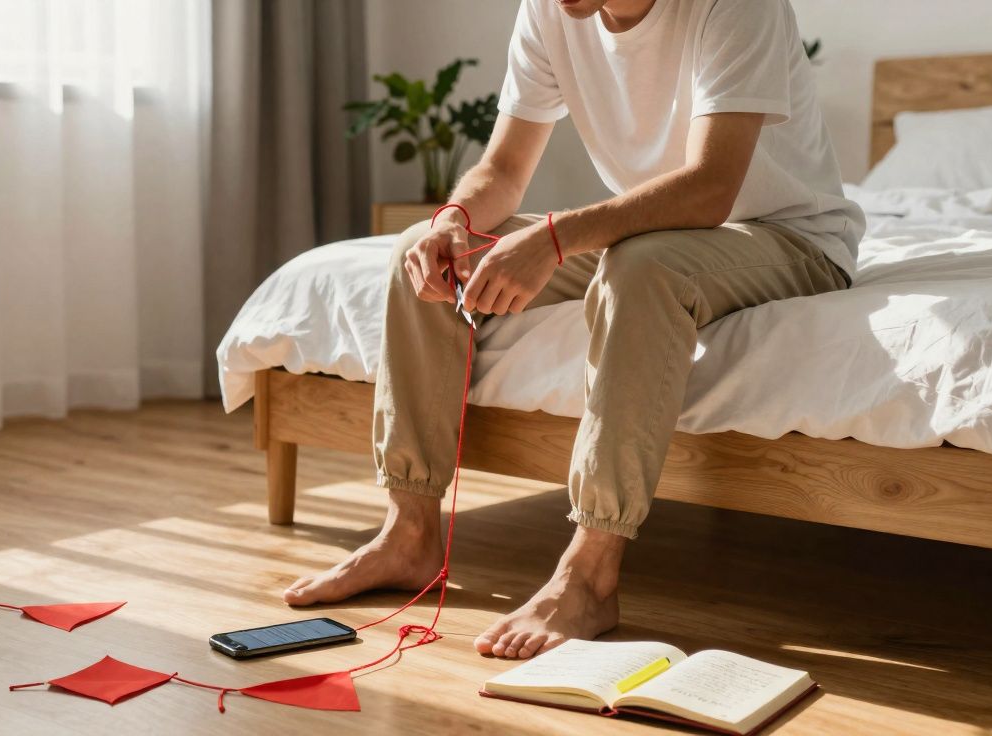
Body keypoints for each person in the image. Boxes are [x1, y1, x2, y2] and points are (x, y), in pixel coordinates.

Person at [284, 0, 864, 660]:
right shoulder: (550, 10)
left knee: (643, 267)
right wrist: (452, 220)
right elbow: (502, 171)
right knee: (426, 246)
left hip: (785, 237)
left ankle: (591, 573)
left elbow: (710, 189)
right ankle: (409, 531)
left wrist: (553, 240)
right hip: (655, 231)